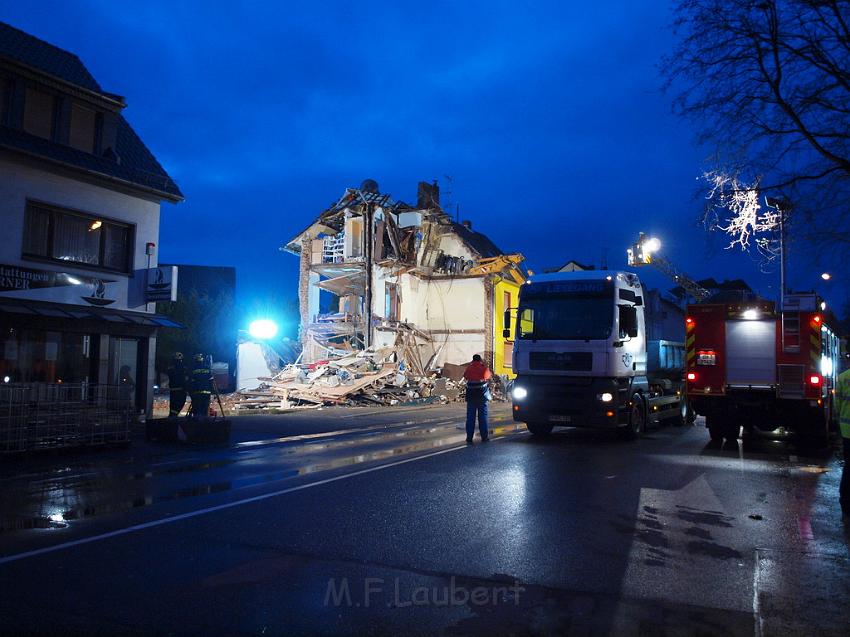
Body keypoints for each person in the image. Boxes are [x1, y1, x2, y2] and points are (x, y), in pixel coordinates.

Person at [463, 354, 493, 443]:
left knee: (470, 417)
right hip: (481, 395)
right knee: (482, 417)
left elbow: (465, 376)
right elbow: (488, 376)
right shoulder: (483, 368)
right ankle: (484, 437)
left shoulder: (469, 368)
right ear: (480, 360)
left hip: (471, 395)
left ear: (473, 360)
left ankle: (469, 437)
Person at [837, 364, 850, 518]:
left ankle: (845, 501)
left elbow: (837, 404)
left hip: (846, 431)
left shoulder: (843, 377)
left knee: (848, 467)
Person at [190, 353, 213, 420]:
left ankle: (197, 422)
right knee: (205, 407)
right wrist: (212, 390)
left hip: (197, 392)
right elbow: (211, 380)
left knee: (197, 408)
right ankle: (205, 421)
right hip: (207, 392)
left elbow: (192, 382)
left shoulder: (194, 369)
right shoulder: (207, 368)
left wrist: (190, 392)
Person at [167, 352, 188, 418]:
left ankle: (172, 416)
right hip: (181, 389)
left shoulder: (170, 367)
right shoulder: (183, 367)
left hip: (173, 389)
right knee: (180, 402)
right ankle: (173, 416)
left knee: (173, 404)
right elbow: (184, 378)